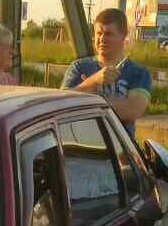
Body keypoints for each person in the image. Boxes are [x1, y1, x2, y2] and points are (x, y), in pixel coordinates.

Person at [62, 8, 152, 138]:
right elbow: (62, 104)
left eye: (109, 34)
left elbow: (132, 109)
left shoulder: (138, 73)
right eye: (99, 33)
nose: (102, 38)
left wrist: (83, 98)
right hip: (78, 147)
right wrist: (94, 80)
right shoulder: (78, 67)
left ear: (124, 36)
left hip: (118, 153)